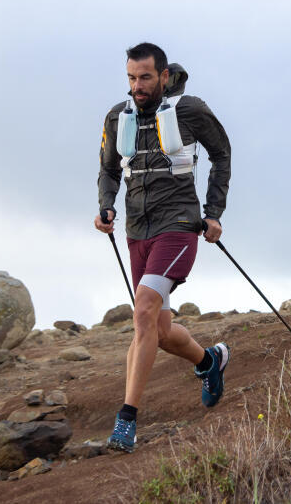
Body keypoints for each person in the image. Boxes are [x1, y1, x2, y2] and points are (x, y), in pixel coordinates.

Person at [95, 42, 232, 452]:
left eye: (145, 78)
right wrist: (105, 206)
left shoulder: (189, 111)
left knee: (143, 310)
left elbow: (221, 154)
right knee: (159, 330)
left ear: (164, 76)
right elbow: (106, 169)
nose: (137, 86)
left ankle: (126, 420)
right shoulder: (116, 117)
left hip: (178, 224)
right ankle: (209, 362)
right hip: (137, 230)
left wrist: (213, 211)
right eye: (131, 78)